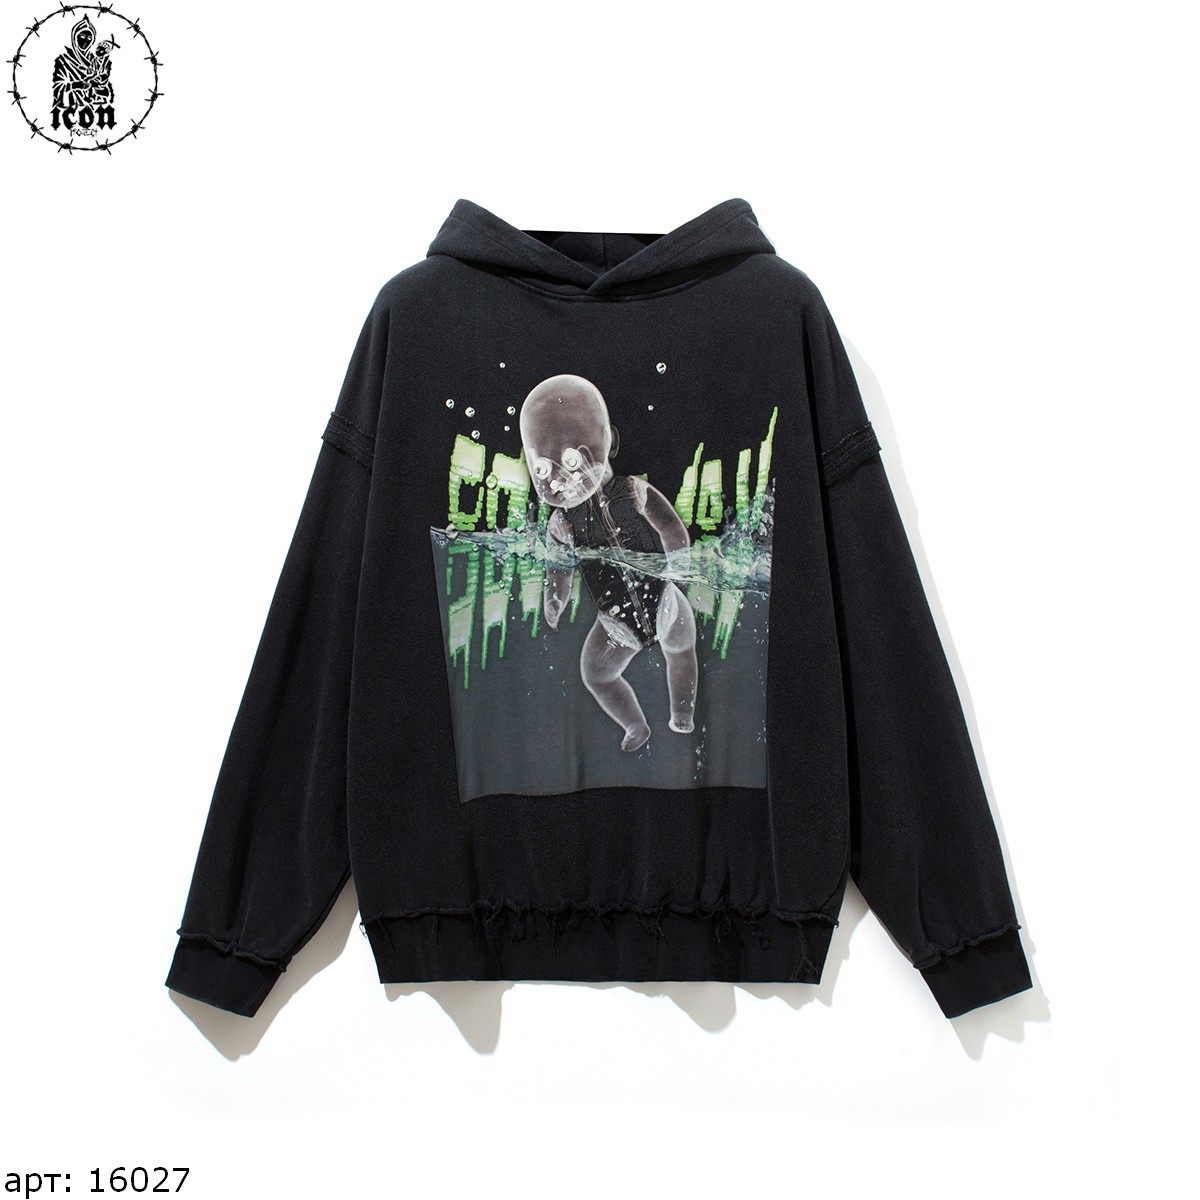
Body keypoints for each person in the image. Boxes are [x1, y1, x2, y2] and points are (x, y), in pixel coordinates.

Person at [520, 374, 699, 751]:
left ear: (609, 442)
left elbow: (670, 525)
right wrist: (555, 598)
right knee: (596, 674)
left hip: (664, 600)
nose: (562, 478)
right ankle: (635, 725)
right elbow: (558, 567)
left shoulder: (633, 490)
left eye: (572, 459)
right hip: (615, 624)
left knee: (681, 649)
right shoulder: (560, 522)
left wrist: (678, 559)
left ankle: (682, 711)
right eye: (545, 469)